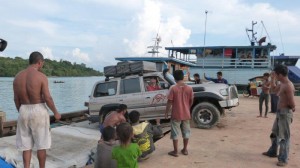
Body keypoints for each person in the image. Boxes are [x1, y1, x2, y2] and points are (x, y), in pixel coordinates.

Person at [13, 51, 61, 168]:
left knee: (26, 146)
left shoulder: (17, 77)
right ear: (39, 62)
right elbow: (48, 98)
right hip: (38, 109)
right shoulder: (41, 77)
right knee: (41, 145)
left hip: (23, 109)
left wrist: (22, 111)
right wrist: (55, 112)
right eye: (42, 64)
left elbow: (16, 99)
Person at [262, 64, 295, 167]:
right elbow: (273, 90)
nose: (274, 75)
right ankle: (272, 151)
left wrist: (288, 108)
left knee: (284, 137)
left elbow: (292, 104)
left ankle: (283, 159)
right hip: (280, 113)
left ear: (280, 74)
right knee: (274, 133)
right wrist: (272, 79)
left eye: (275, 74)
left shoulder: (288, 85)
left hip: (285, 114)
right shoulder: (282, 84)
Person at [165, 70, 194, 157]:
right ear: (182, 77)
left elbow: (169, 102)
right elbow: (191, 101)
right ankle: (185, 150)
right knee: (186, 132)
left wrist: (166, 112)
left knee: (175, 133)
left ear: (174, 77)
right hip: (186, 114)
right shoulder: (190, 88)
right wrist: (187, 108)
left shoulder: (173, 88)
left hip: (176, 114)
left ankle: (175, 151)